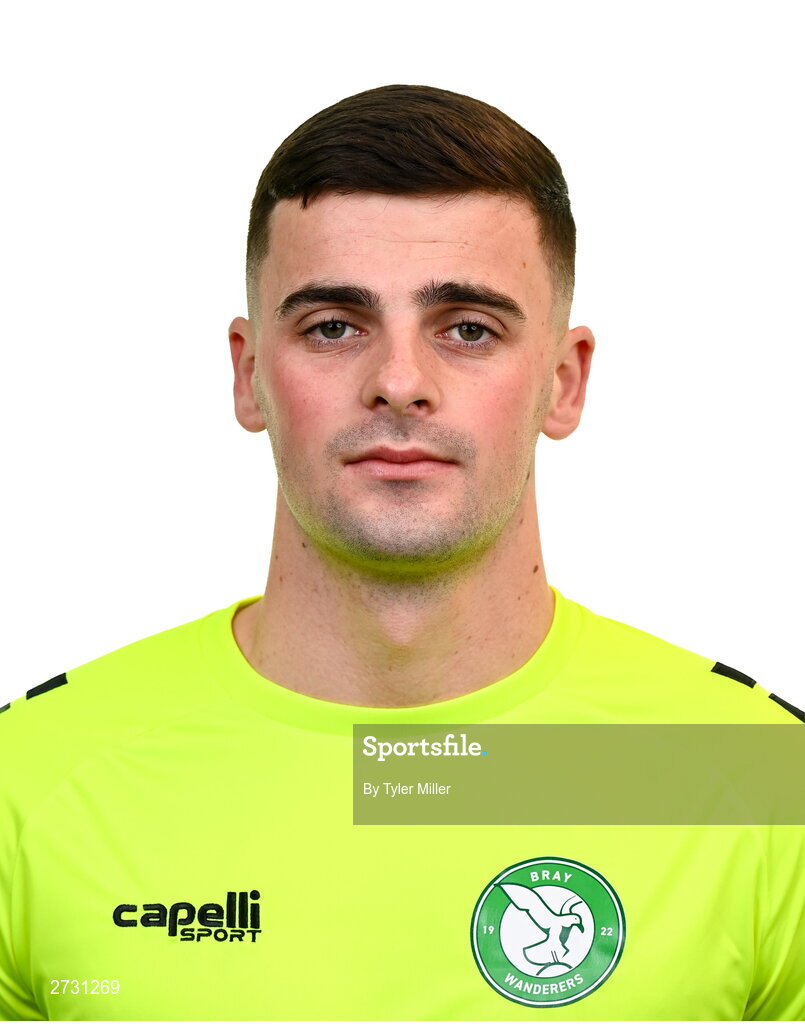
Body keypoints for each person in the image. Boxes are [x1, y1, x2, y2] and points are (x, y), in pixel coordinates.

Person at [1, 84, 802, 1022]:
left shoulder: (753, 778)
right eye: (333, 327)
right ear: (250, 373)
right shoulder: (31, 784)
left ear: (563, 381)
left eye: (468, 328)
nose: (397, 384)